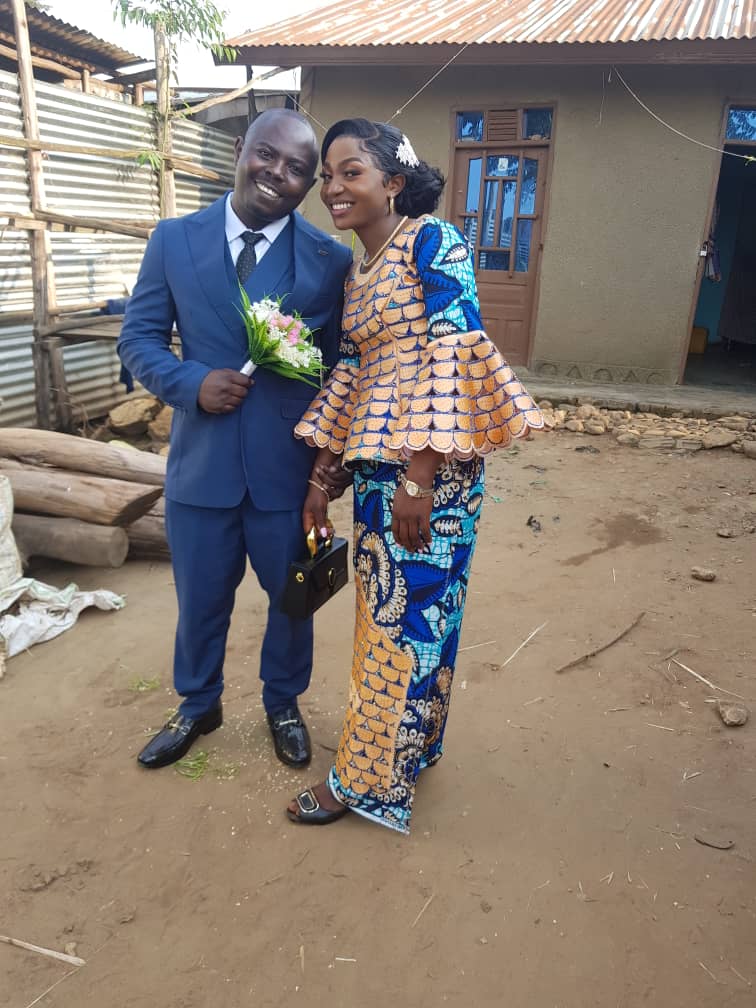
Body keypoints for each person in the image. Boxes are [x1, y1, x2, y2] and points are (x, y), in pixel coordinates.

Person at [286, 118, 544, 833]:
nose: (333, 188)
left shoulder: (434, 241)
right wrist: (322, 479)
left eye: (351, 172)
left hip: (429, 480)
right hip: (380, 476)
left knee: (402, 627)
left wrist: (419, 479)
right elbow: (352, 373)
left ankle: (362, 781)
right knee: (401, 621)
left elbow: (453, 349)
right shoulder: (359, 270)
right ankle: (410, 749)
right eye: (328, 176)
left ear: (394, 182)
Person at [118, 109, 352, 772]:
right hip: (201, 468)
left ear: (309, 183)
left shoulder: (329, 260)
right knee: (199, 601)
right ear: (240, 150)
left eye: (297, 168)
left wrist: (327, 469)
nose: (277, 173)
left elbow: (340, 370)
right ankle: (198, 703)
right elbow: (137, 338)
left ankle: (283, 702)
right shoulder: (174, 240)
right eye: (267, 154)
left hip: (286, 475)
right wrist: (192, 383)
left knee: (293, 599)